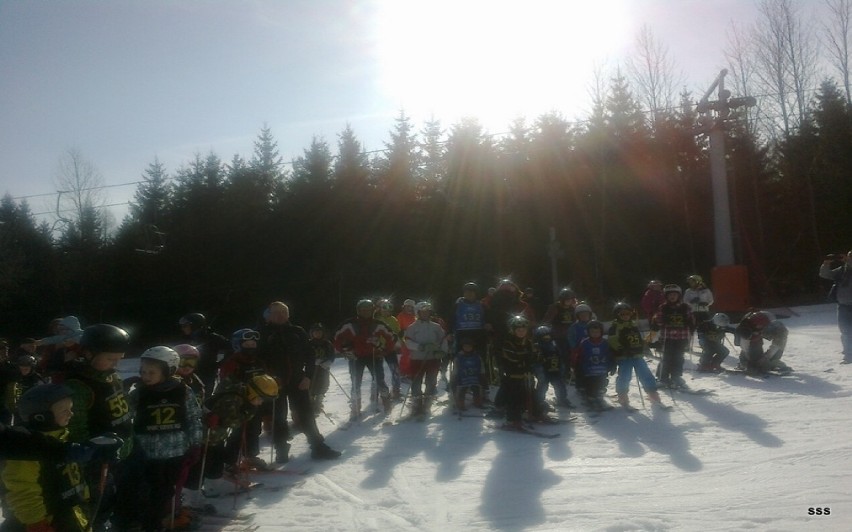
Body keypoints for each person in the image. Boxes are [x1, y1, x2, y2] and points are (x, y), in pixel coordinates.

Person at [0, 385, 111, 532]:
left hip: (72, 515)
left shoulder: (63, 438)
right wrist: (35, 522)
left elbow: (75, 475)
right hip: (46, 520)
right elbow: (22, 490)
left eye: (71, 408)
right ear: (42, 416)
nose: (71, 414)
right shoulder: (24, 452)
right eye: (64, 410)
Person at [62, 324, 135, 531]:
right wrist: (91, 452)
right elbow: (75, 427)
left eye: (119, 358)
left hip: (119, 451)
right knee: (96, 500)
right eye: (111, 359)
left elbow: (121, 406)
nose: (116, 364)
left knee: (112, 495)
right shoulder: (79, 385)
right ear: (88, 353)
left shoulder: (110, 376)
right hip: (97, 459)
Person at [129, 346, 203, 531]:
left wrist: (196, 443)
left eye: (151, 372)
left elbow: (193, 418)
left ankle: (163, 518)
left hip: (176, 451)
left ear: (168, 371)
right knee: (149, 491)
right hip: (147, 452)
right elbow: (125, 417)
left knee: (167, 489)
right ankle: (150, 523)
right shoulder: (139, 392)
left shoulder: (183, 391)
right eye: (143, 371)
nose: (146, 376)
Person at [258, 302, 340, 463]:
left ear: (288, 314)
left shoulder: (297, 332)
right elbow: (259, 360)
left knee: (306, 415)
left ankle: (318, 447)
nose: (280, 315)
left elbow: (310, 356)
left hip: (298, 380)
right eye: (276, 312)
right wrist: (267, 380)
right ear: (270, 315)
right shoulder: (263, 333)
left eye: (283, 312)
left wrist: (308, 377)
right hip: (274, 384)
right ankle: (281, 450)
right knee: (278, 417)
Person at [200, 374, 279, 497]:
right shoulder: (233, 398)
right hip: (208, 435)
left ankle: (215, 481)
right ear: (253, 392)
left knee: (217, 458)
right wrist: (247, 412)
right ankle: (212, 487)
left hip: (216, 435)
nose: (261, 402)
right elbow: (229, 421)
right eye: (261, 398)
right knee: (213, 459)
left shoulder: (241, 394)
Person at [334, 299, 397, 421]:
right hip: (356, 357)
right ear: (358, 311)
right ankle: (355, 407)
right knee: (355, 382)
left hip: (374, 355)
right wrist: (344, 350)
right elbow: (336, 337)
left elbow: (392, 337)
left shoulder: (378, 324)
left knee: (380, 380)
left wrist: (384, 350)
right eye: (363, 310)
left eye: (368, 310)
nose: (366, 312)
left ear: (373, 310)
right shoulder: (349, 324)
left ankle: (386, 402)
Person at [607, 302, 664, 408]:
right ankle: (622, 394)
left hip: (637, 355)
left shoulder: (633, 325)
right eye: (622, 314)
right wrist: (622, 350)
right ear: (617, 315)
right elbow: (613, 341)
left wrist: (644, 345)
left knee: (645, 373)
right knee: (625, 376)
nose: (625, 316)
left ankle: (652, 392)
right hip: (624, 357)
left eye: (627, 314)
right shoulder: (615, 327)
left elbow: (638, 339)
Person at [402, 302, 448, 417]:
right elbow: (407, 342)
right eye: (423, 312)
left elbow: (443, 339)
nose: (425, 314)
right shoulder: (412, 327)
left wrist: (442, 351)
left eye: (427, 312)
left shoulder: (436, 326)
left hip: (432, 359)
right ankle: (417, 404)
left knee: (431, 381)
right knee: (416, 381)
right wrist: (420, 347)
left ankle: (427, 403)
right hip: (417, 359)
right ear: (418, 313)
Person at [498, 315, 539, 429]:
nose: (521, 332)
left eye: (524, 330)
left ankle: (535, 413)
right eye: (518, 330)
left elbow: (531, 357)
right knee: (514, 398)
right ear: (513, 330)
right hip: (513, 375)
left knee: (532, 394)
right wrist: (524, 365)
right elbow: (513, 360)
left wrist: (530, 366)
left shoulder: (528, 342)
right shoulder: (509, 343)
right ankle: (512, 420)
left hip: (526, 375)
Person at [651, 284, 694, 389]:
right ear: (666, 296)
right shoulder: (663, 307)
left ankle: (676, 376)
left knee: (679, 358)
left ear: (679, 296)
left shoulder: (685, 307)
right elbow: (657, 320)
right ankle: (662, 378)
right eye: (670, 295)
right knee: (666, 358)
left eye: (675, 295)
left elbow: (691, 319)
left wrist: (690, 325)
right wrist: (661, 320)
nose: (672, 297)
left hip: (681, 337)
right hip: (667, 337)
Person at [178, 312, 229, 399]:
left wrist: (219, 364)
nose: (183, 329)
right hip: (191, 372)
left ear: (194, 325)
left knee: (204, 398)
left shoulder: (212, 337)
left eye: (185, 326)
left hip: (207, 373)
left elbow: (231, 348)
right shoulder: (188, 339)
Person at [819, 250, 852, 363]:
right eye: (849, 256)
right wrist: (826, 263)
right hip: (843, 306)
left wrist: (848, 261)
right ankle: (849, 355)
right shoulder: (842, 270)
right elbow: (825, 274)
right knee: (845, 331)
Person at [532, 325, 571, 410]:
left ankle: (561, 399)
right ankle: (539, 401)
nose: (547, 338)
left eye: (548, 336)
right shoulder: (537, 347)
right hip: (544, 372)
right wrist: (539, 372)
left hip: (555, 370)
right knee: (542, 387)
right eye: (544, 337)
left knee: (560, 385)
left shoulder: (554, 346)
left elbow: (559, 358)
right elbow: (535, 362)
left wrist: (562, 369)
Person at [373, 299, 402, 401]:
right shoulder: (375, 319)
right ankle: (376, 393)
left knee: (395, 370)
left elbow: (397, 333)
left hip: (390, 348)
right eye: (384, 308)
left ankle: (396, 391)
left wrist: (399, 343)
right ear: (379, 309)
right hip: (377, 348)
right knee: (377, 372)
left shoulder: (393, 320)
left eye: (389, 307)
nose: (387, 310)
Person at [5, 355, 47, 425]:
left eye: (26, 369)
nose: (23, 371)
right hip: (18, 411)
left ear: (32, 368)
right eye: (21, 369)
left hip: (32, 412)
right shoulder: (17, 377)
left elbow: (42, 396)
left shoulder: (36, 380)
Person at [307, 323, 335, 416]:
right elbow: (304, 355)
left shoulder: (327, 343)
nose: (317, 334)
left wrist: (328, 362)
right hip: (312, 369)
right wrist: (311, 361)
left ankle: (319, 402)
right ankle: (310, 403)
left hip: (324, 368)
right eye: (315, 332)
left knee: (324, 384)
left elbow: (332, 355)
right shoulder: (309, 344)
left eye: (319, 332)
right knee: (311, 384)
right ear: (312, 333)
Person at [451, 337, 485, 411]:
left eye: (469, 346)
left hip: (475, 376)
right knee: (462, 390)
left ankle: (477, 401)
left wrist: (482, 373)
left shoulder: (477, 356)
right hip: (463, 376)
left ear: (472, 347)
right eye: (465, 346)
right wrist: (454, 375)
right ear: (462, 347)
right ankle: (461, 403)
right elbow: (456, 366)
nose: (467, 348)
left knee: (476, 389)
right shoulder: (459, 357)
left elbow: (481, 365)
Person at [684, 274, 714, 350]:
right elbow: (685, 301)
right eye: (690, 282)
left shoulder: (706, 290)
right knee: (690, 329)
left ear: (697, 281)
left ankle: (704, 344)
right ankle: (687, 345)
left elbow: (711, 300)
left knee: (704, 329)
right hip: (693, 312)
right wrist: (691, 302)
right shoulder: (688, 291)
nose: (691, 283)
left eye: (692, 281)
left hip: (703, 312)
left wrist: (706, 303)